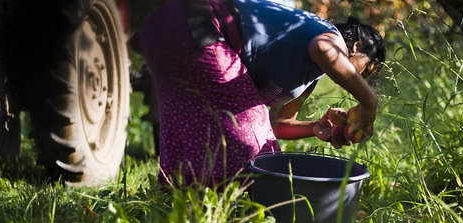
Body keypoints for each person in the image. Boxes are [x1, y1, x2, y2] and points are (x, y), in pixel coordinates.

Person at [139, 0, 385, 186]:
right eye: (368, 69)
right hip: (196, 22)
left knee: (189, 128)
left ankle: (181, 207)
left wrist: (314, 127)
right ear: (356, 47)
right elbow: (323, 49)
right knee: (259, 158)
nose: (362, 78)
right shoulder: (330, 36)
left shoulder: (310, 75)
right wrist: (368, 101)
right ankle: (254, 217)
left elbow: (278, 124)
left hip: (159, 29)